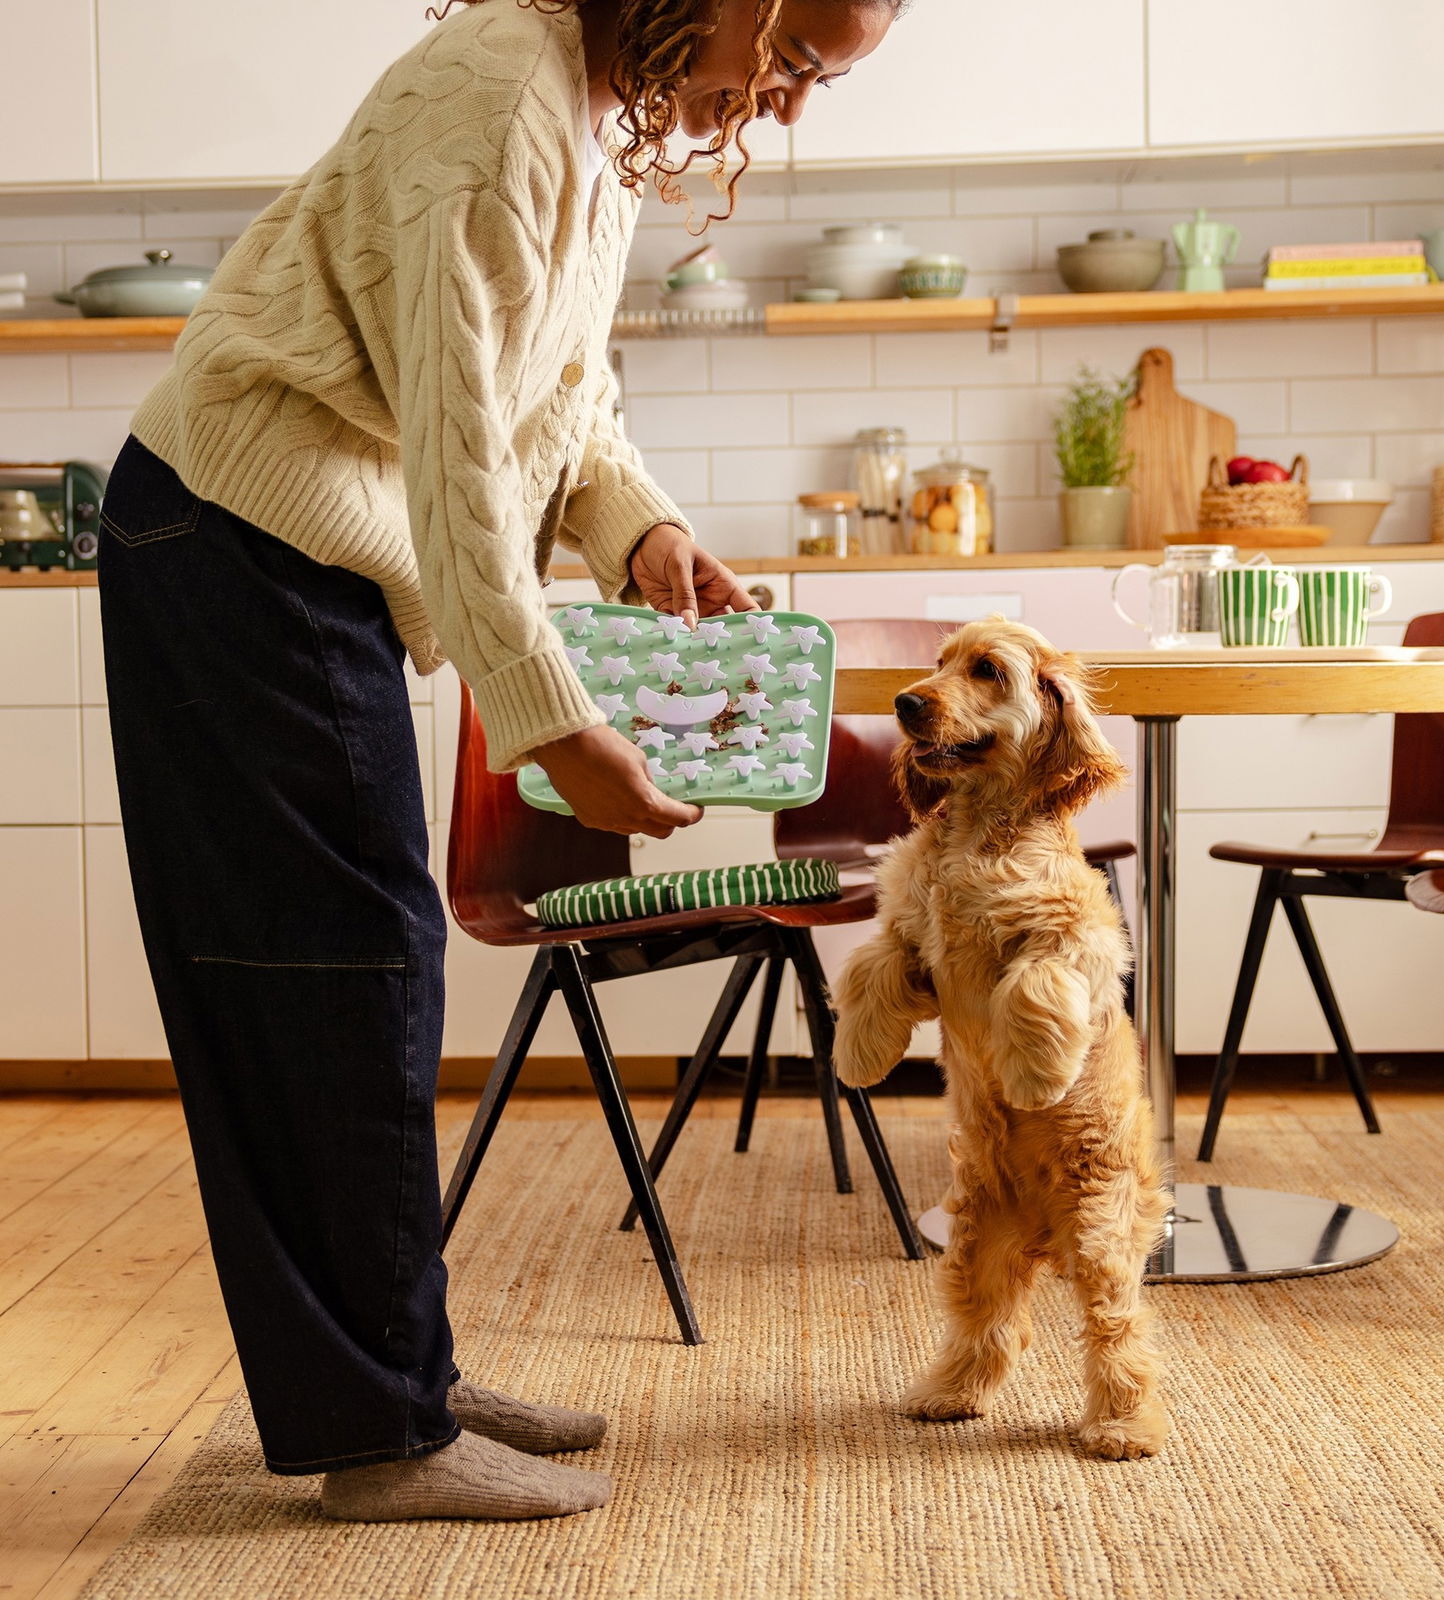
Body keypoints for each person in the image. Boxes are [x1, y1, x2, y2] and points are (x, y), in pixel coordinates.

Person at [97, 0, 898, 1523]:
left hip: (294, 547)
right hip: (234, 538)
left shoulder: (584, 108)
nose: (782, 108)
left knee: (365, 971)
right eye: (793, 61)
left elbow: (561, 393)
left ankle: (401, 1378)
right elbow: (454, 440)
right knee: (336, 978)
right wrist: (547, 714)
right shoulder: (500, 102)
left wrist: (635, 523)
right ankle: (378, 1434)